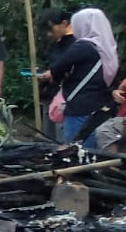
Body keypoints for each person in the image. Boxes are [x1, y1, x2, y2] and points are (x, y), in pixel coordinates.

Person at [38, 8, 114, 143]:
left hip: (78, 106)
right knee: (92, 151)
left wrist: (51, 74)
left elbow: (58, 68)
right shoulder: (105, 47)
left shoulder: (82, 46)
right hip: (97, 105)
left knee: (74, 150)